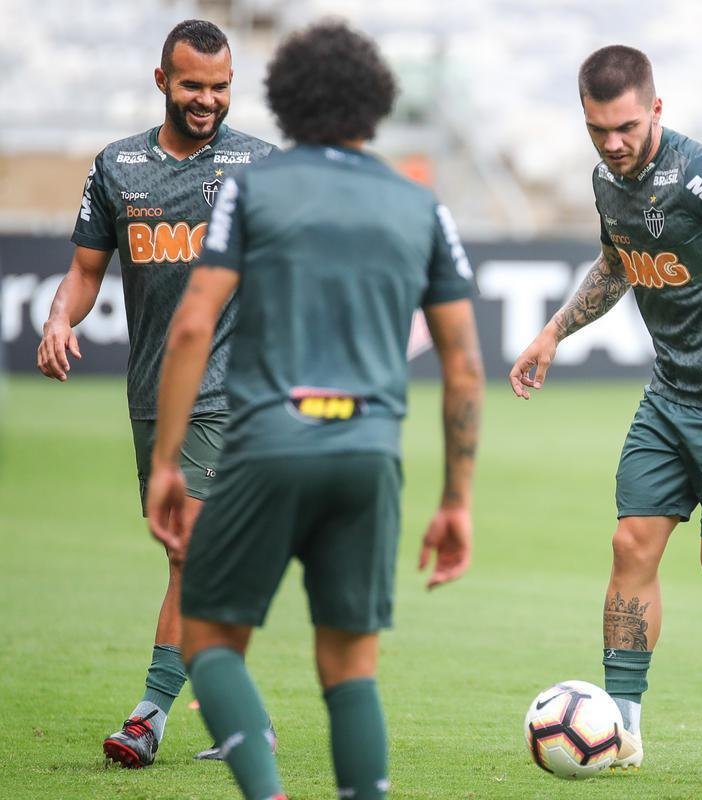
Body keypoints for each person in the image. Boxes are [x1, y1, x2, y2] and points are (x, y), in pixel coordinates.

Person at [146, 20, 482, 800]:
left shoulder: (251, 187)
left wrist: (168, 462)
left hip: (267, 444)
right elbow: (463, 364)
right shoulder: (420, 205)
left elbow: (194, 325)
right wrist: (456, 500)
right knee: (350, 666)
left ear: (284, 101)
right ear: (378, 105)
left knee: (210, 638)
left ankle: (266, 793)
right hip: (368, 455)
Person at [508, 44, 702, 779]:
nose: (614, 143)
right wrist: (553, 330)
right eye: (598, 129)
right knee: (629, 547)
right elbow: (617, 264)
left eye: (627, 127)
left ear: (656, 111)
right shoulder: (608, 183)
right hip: (670, 397)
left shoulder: (700, 176)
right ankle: (621, 727)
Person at [35, 19, 276, 768]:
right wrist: (56, 316)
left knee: (191, 553)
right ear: (162, 81)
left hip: (233, 389)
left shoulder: (258, 167)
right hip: (154, 396)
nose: (208, 100)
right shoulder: (118, 168)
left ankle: (149, 715)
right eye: (194, 85)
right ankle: (244, 716)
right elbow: (84, 272)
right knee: (195, 552)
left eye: (222, 86)